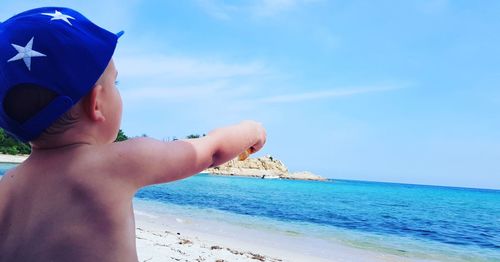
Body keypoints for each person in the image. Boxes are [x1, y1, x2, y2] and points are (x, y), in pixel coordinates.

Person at [0, 7, 266, 261]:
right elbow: (211, 150)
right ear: (96, 102)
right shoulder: (117, 164)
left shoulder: (7, 189)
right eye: (115, 82)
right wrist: (251, 129)